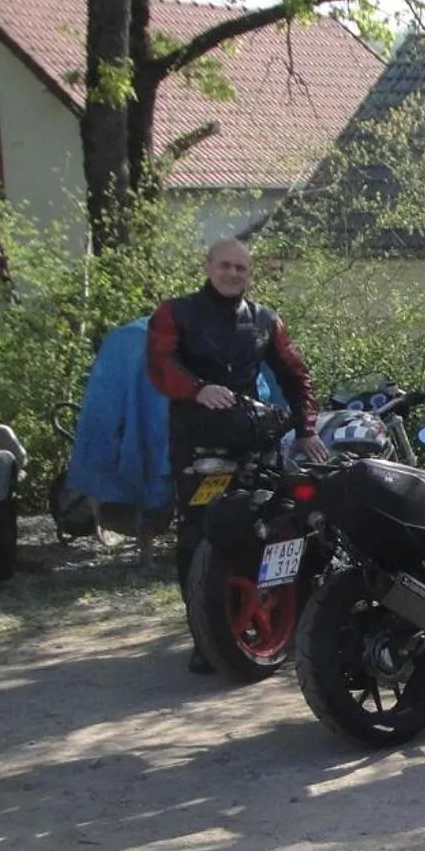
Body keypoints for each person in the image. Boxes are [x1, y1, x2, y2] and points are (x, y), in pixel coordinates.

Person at [145, 239, 323, 673]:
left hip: (253, 441)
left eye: (241, 268)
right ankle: (204, 637)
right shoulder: (176, 312)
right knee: (197, 535)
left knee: (278, 524)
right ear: (208, 266)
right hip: (198, 446)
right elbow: (160, 363)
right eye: (225, 265)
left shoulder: (265, 320)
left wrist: (306, 430)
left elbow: (295, 374)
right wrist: (197, 389)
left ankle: (281, 622)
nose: (233, 273)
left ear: (250, 274)